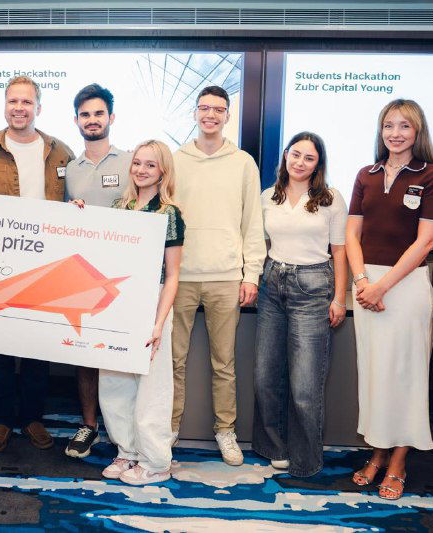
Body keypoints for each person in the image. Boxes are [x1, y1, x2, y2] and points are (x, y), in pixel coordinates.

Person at [0, 76, 74, 453]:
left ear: (38, 108)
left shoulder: (61, 153)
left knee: (40, 349)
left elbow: (76, 212)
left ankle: (32, 417)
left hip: (47, 267)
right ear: (5, 106)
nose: (19, 108)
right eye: (13, 102)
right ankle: (3, 420)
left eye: (26, 102)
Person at [346, 99, 433, 500]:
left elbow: (426, 241)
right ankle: (377, 451)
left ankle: (399, 459)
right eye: (389, 125)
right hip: (365, 284)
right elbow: (352, 235)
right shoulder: (365, 175)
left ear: (417, 132)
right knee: (374, 373)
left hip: (403, 287)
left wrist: (382, 286)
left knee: (404, 376)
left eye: (405, 126)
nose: (396, 133)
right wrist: (361, 281)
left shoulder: (432, 175)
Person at [171, 86, 265, 465]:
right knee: (172, 361)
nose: (211, 114)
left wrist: (251, 274)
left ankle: (225, 431)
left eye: (219, 109)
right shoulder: (175, 159)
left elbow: (252, 222)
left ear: (228, 115)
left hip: (227, 276)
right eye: (204, 108)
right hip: (180, 275)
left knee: (223, 363)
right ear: (195, 112)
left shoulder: (243, 162)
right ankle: (169, 428)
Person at [251, 132, 348, 477]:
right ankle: (273, 446)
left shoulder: (331, 198)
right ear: (285, 156)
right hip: (272, 283)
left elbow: (340, 251)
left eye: (309, 158)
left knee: (305, 385)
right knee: (265, 376)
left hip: (313, 286)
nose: (300, 162)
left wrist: (339, 297)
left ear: (318, 164)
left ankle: (305, 460)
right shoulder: (268, 196)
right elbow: (259, 244)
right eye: (295, 155)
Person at [90, 139, 184, 485]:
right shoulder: (121, 206)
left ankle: (155, 462)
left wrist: (159, 323)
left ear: (163, 171)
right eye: (137, 163)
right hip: (118, 300)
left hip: (153, 302)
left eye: (150, 165)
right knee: (113, 380)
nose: (141, 170)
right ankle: (127, 453)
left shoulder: (168, 214)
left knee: (151, 387)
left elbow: (173, 275)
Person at [63, 83, 132, 459]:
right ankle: (88, 426)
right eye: (85, 114)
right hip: (83, 275)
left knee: (120, 352)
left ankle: (124, 431)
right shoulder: (69, 168)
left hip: (125, 274)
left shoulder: (131, 160)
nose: (92, 120)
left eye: (98, 114)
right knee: (86, 353)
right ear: (77, 120)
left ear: (111, 118)